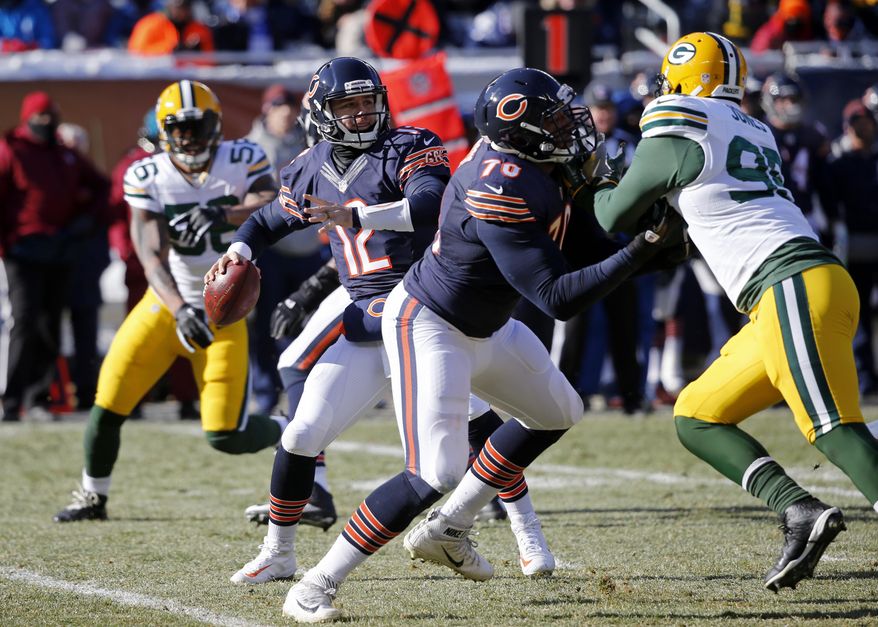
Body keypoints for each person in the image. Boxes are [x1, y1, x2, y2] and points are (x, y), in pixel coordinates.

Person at [281, 67, 681, 623]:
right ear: (522, 129)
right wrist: (641, 251)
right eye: (558, 118)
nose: (573, 126)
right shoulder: (499, 181)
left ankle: (450, 528)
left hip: (486, 326)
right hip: (430, 324)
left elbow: (588, 245)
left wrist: (658, 247)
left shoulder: (545, 164)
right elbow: (556, 295)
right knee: (435, 471)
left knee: (558, 409)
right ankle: (314, 585)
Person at [207, 58, 557, 590]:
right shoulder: (307, 166)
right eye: (348, 106)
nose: (362, 113)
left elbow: (427, 203)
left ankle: (527, 531)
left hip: (429, 310)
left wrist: (357, 215)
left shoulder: (407, 145)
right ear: (323, 113)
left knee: (480, 420)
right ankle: (278, 553)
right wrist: (238, 251)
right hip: (367, 319)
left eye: (368, 101)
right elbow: (266, 221)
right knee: (301, 433)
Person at [592, 31, 878, 592]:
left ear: (680, 78)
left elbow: (611, 216)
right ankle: (799, 511)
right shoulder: (752, 125)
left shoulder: (676, 123)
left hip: (790, 284)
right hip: (795, 287)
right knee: (697, 413)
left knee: (836, 431)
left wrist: (586, 180)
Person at [53, 80, 282, 522]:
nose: (190, 138)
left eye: (198, 127)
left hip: (225, 311)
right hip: (166, 303)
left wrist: (221, 212)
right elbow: (149, 251)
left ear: (216, 126)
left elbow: (270, 201)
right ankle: (92, 494)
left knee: (225, 436)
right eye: (179, 129)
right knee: (109, 400)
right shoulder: (147, 173)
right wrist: (178, 308)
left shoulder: (242, 157)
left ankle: (293, 430)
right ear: (162, 130)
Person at [0, 91, 110, 422]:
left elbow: (102, 187)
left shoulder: (66, 155)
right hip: (23, 250)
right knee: (24, 321)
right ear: (28, 118)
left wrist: (85, 220)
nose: (47, 123)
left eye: (51, 117)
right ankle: (11, 399)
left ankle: (40, 397)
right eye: (41, 117)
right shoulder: (11, 150)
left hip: (60, 249)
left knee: (50, 325)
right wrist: (7, 241)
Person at [245, 84, 325, 416]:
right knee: (266, 324)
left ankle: (314, 390)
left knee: (313, 322)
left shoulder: (307, 141)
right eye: (280, 108)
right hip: (273, 250)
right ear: (267, 110)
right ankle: (265, 392)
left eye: (290, 109)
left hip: (307, 247)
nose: (287, 115)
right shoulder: (252, 149)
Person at [823, 100, 878, 396]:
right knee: (854, 316)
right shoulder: (839, 163)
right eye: (859, 123)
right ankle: (862, 376)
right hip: (852, 245)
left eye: (867, 122)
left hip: (872, 240)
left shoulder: (872, 160)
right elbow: (831, 205)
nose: (864, 129)